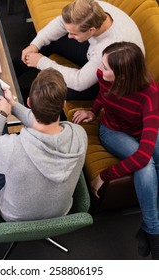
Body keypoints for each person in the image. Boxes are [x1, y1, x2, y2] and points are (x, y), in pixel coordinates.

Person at [72, 42, 159, 260]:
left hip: (141, 131)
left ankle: (147, 229)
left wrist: (104, 175)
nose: (100, 69)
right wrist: (93, 112)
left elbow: (144, 149)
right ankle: (155, 232)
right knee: (146, 166)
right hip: (112, 130)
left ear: (123, 76)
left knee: (148, 160)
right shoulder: (104, 75)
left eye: (106, 67)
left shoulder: (150, 95)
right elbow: (103, 94)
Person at [0, 68, 87, 222]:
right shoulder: (80, 135)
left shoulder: (11, 148)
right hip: (60, 215)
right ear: (64, 105)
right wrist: (11, 104)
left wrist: (0, 116)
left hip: (15, 218)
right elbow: (45, 122)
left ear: (28, 102)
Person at [14, 0, 144, 101]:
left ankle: (20, 97)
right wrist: (35, 45)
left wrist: (42, 62)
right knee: (45, 43)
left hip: (107, 77)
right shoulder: (94, 8)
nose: (69, 36)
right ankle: (10, 73)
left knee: (51, 90)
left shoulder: (111, 50)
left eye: (74, 34)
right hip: (93, 52)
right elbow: (61, 23)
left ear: (91, 30)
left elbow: (79, 82)